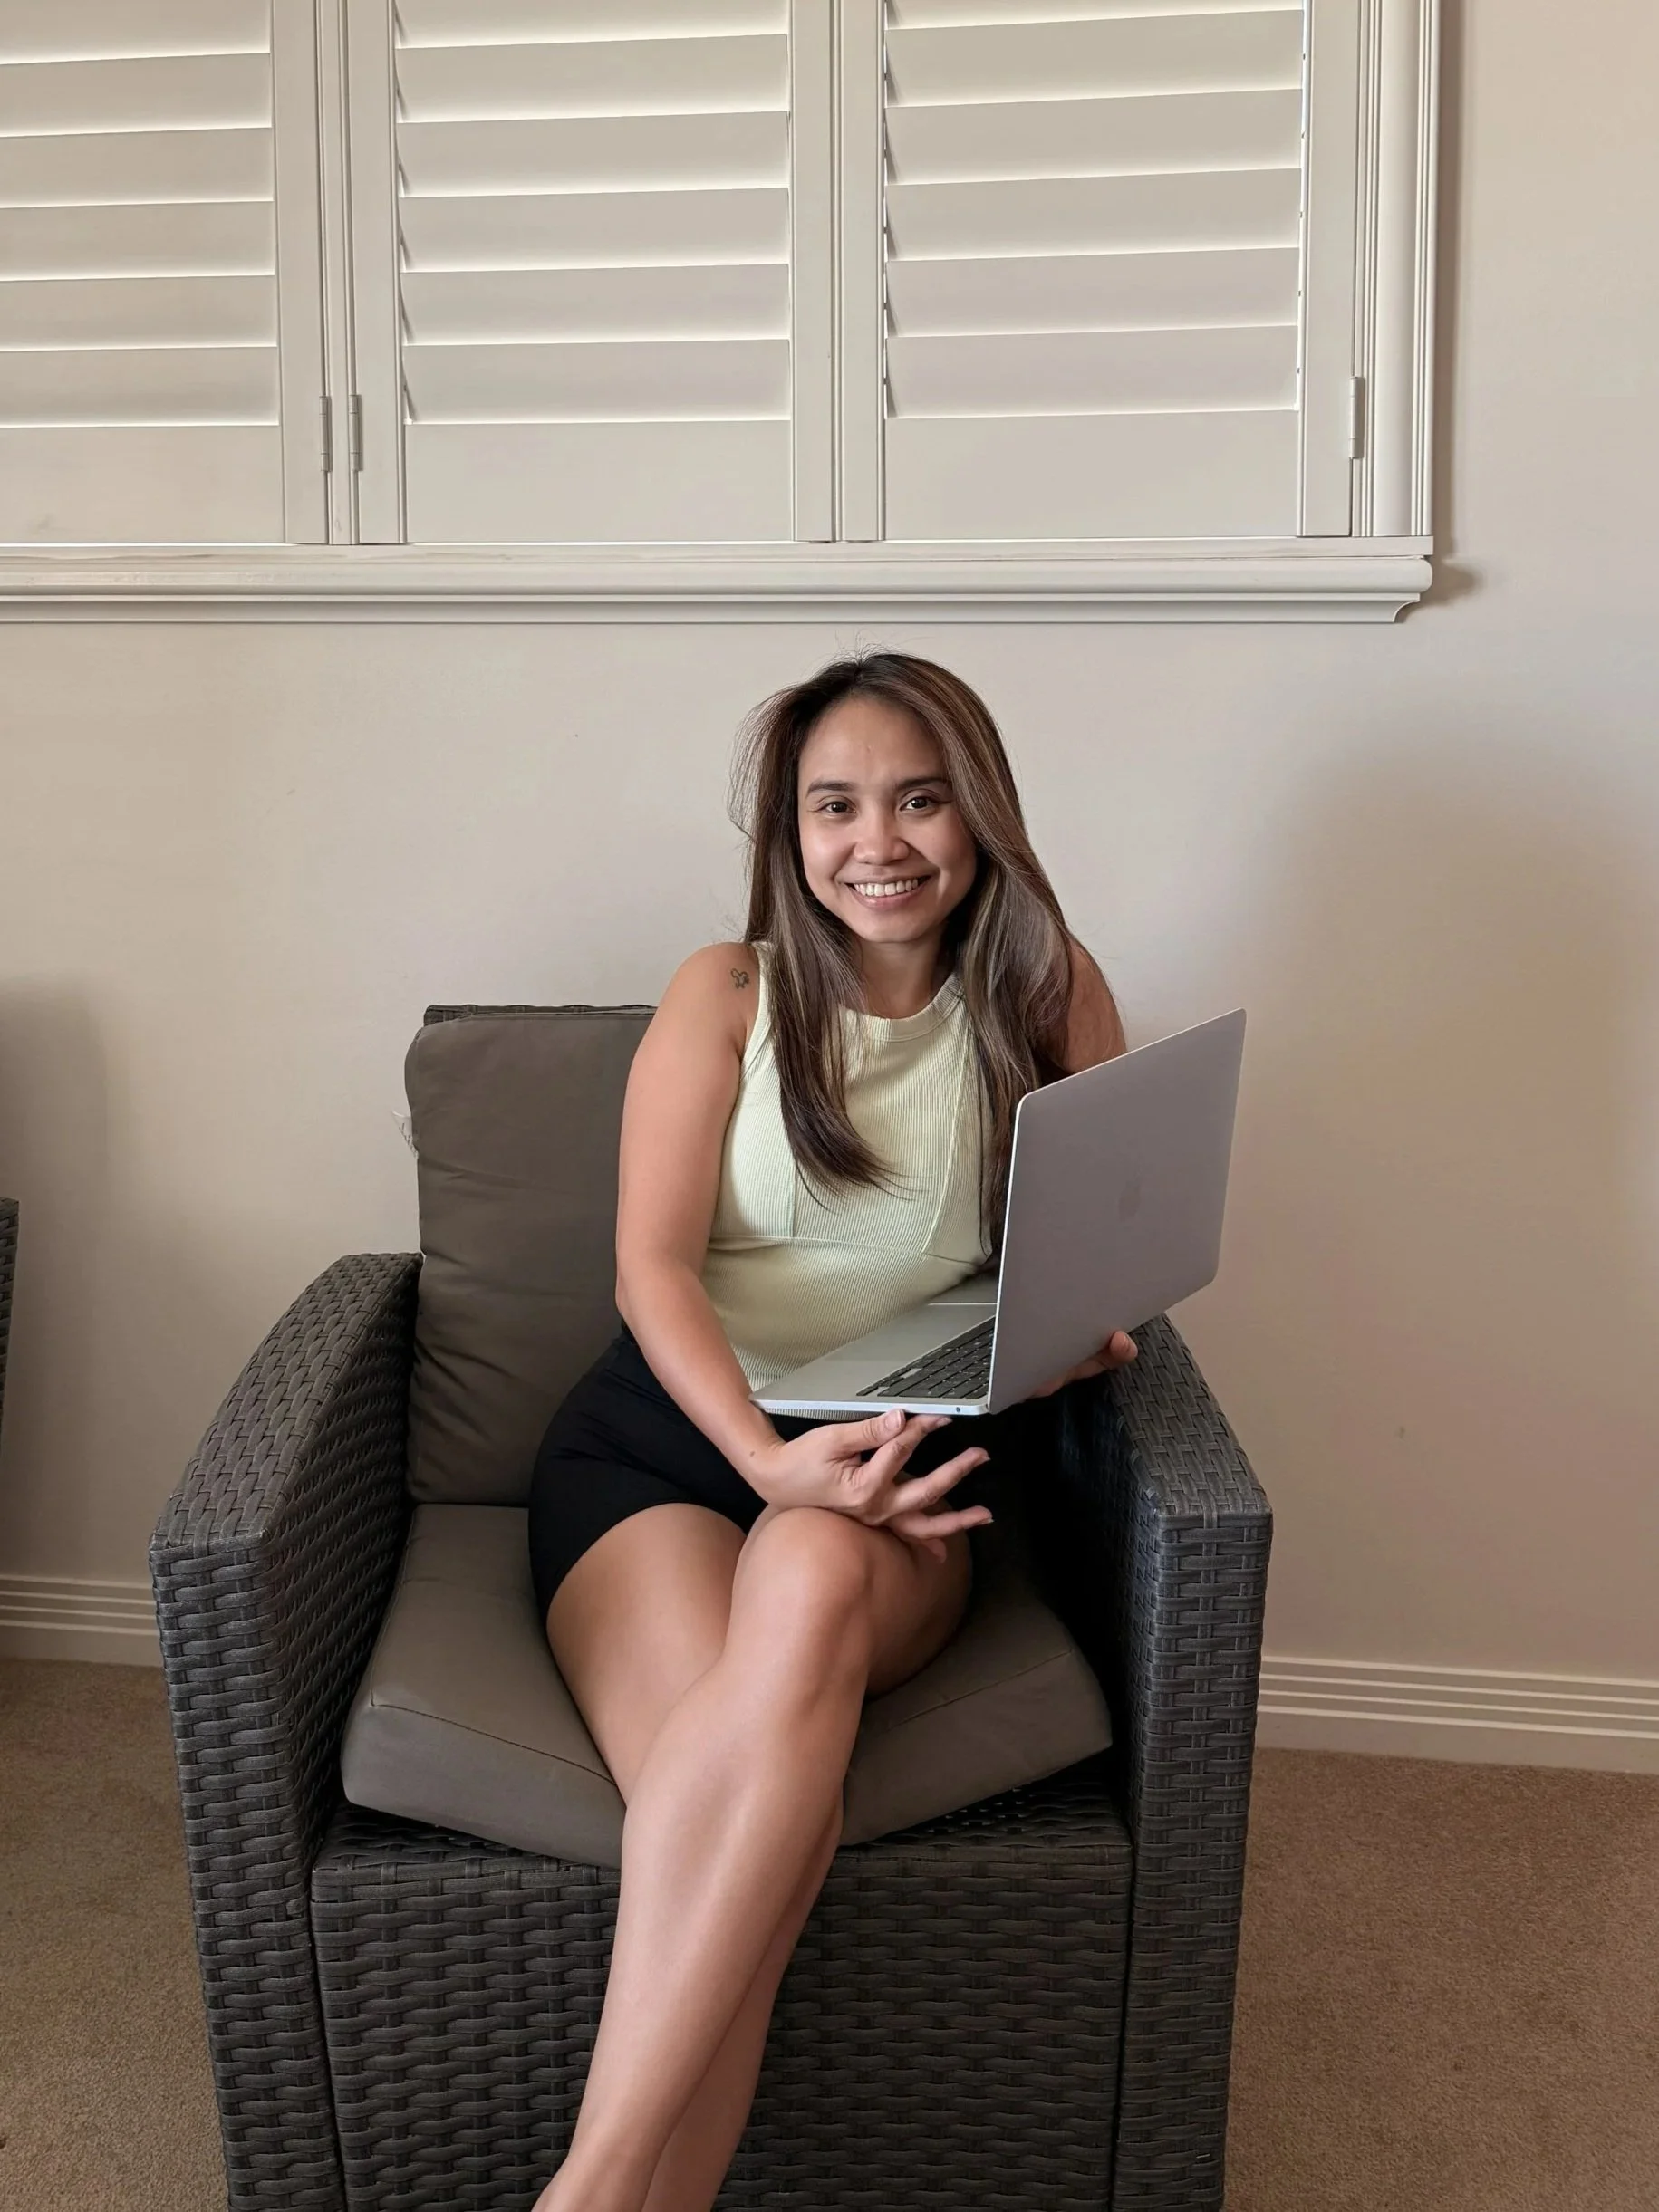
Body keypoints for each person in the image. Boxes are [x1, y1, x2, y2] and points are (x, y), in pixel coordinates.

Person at [526, 651, 1135, 2212]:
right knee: (743, 1838)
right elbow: (650, 1268)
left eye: (919, 799)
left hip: (899, 1458)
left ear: (978, 811)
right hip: (670, 1442)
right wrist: (757, 1457)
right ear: (788, 831)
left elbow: (1105, 1249)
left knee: (793, 1607)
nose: (878, 841)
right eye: (835, 805)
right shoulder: (724, 991)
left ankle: (584, 2192)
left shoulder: (1049, 989)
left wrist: (1075, 1329)